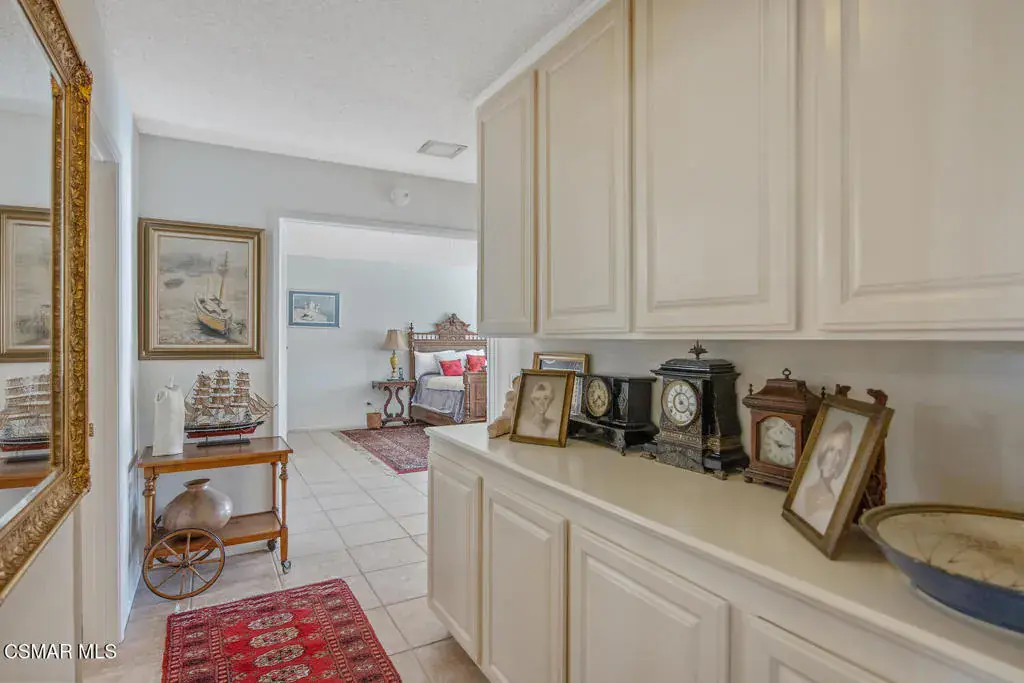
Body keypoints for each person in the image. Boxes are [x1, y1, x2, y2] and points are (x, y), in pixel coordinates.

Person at [792, 420, 854, 534]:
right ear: (823, 452)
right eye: (831, 450)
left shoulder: (834, 503)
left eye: (840, 453)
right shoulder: (802, 492)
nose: (834, 458)